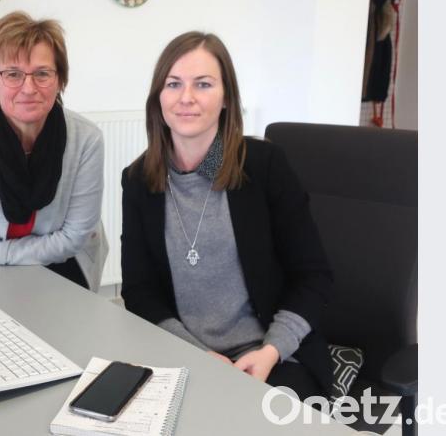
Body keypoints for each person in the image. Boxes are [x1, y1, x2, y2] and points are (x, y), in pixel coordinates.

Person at [120, 31, 333, 400]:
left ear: (226, 99)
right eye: (174, 84)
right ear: (158, 98)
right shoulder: (139, 180)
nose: (186, 97)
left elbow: (313, 276)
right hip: (183, 352)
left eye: (203, 84)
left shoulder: (264, 166)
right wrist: (199, 356)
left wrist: (271, 351)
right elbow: (139, 291)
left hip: (273, 355)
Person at [0, 11, 108, 292]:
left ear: (60, 81)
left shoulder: (87, 140)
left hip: (67, 265)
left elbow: (74, 238)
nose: (29, 88)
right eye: (13, 74)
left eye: (42, 74)